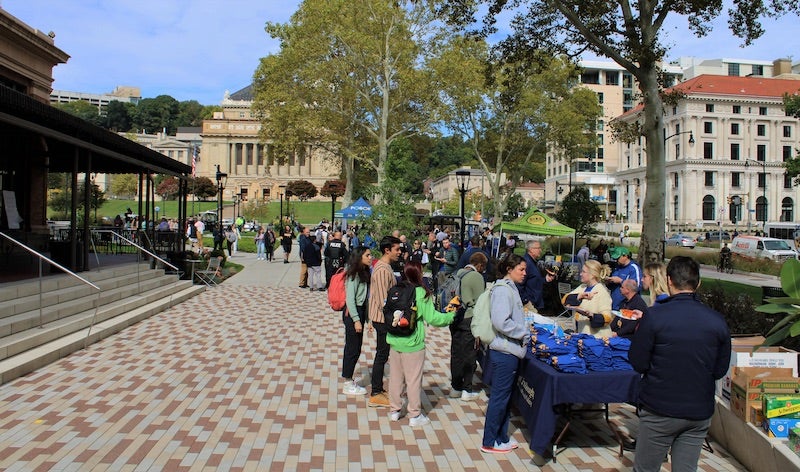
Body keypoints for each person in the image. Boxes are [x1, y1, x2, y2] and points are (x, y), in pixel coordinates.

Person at [630, 256, 731, 471]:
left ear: (669, 281)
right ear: (698, 283)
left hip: (660, 408)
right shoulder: (717, 321)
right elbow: (720, 369)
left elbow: (638, 361)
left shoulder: (655, 316)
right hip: (697, 409)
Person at [387, 262, 457, 426]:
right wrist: (451, 315)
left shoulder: (396, 289)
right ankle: (414, 415)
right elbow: (433, 319)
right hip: (413, 343)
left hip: (394, 340)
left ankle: (394, 411)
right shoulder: (421, 293)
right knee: (413, 380)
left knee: (395, 378)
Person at [481, 254, 529, 455]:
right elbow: (501, 321)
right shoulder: (503, 290)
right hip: (505, 351)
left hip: (509, 351)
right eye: (521, 269)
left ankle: (500, 438)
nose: (525, 273)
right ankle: (490, 441)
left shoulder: (509, 289)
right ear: (509, 269)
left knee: (505, 398)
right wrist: (523, 332)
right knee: (500, 398)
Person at [367, 235, 402, 408]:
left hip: (385, 318)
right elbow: (383, 301)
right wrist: (393, 320)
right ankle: (375, 392)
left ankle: (378, 389)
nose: (400, 252)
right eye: (397, 249)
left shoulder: (386, 267)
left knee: (383, 354)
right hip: (382, 320)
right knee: (382, 355)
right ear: (387, 250)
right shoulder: (381, 270)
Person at [449, 252, 487, 401]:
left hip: (454, 318)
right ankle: (467, 389)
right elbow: (480, 302)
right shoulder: (477, 277)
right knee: (470, 353)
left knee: (456, 352)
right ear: (480, 265)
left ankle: (455, 387)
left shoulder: (458, 273)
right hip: (468, 318)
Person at [342, 247, 372, 395]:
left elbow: (365, 299)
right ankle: (347, 381)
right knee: (352, 348)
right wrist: (356, 320)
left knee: (357, 348)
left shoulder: (365, 272)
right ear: (359, 257)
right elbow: (350, 299)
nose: (370, 257)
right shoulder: (353, 274)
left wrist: (368, 320)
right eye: (367, 255)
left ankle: (349, 378)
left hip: (359, 312)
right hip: (352, 313)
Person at [562, 259, 613, 336]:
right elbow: (565, 300)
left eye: (583, 272)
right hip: (582, 334)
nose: (580, 274)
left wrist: (590, 315)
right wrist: (580, 296)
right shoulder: (582, 287)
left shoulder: (602, 292)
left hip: (597, 338)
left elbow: (607, 318)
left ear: (592, 275)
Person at [606, 246, 642, 310]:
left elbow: (637, 286)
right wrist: (609, 282)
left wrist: (621, 281)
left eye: (618, 258)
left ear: (625, 256)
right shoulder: (617, 267)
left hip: (627, 306)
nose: (616, 260)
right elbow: (612, 286)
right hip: (614, 305)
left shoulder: (633, 268)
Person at [517, 240, 549, 312]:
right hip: (529, 304)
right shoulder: (526, 263)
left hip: (535, 302)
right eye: (538, 248)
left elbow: (535, 280)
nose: (540, 250)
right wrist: (526, 300)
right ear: (531, 249)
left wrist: (546, 279)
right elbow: (519, 283)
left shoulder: (533, 262)